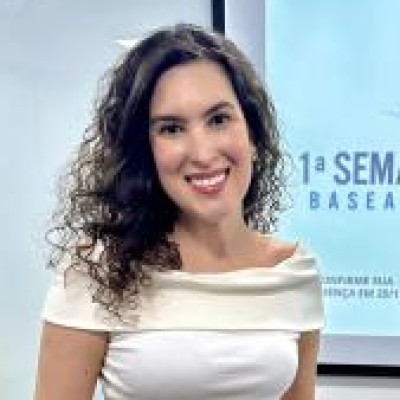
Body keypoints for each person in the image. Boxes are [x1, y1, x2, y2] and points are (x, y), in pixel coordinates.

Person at [34, 23, 324, 400]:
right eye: (171, 129)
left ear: (252, 134)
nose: (202, 153)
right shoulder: (97, 270)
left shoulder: (293, 273)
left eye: (218, 119)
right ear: (146, 151)